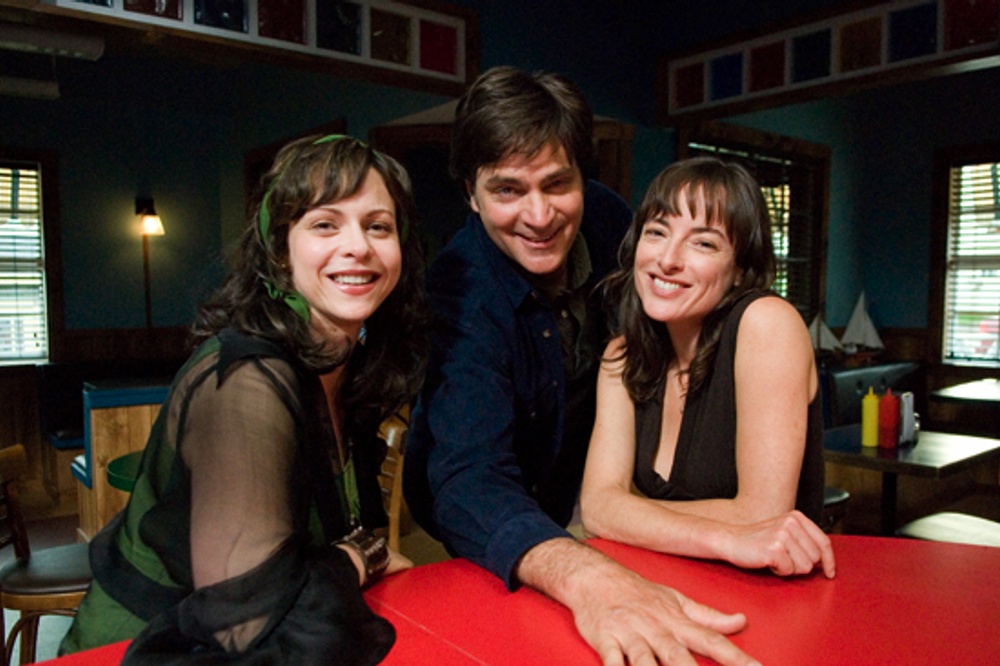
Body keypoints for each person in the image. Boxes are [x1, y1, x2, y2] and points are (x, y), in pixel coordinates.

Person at [404, 66, 760, 666]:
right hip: (497, 517)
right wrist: (588, 576)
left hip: (590, 505)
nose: (539, 215)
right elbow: (468, 480)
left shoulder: (612, 221)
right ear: (471, 193)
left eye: (557, 184)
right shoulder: (458, 292)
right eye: (507, 191)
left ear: (582, 176)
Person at [59, 134, 428, 664]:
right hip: (137, 650)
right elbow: (243, 623)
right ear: (279, 251)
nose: (359, 246)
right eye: (325, 224)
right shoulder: (245, 381)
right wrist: (360, 556)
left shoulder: (348, 367)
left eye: (378, 226)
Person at [580, 156, 835, 578]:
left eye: (703, 244)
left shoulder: (766, 324)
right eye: (657, 232)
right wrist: (727, 536)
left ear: (740, 270)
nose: (668, 259)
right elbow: (595, 508)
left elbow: (765, 515)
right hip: (672, 586)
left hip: (772, 595)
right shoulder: (621, 355)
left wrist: (631, 514)